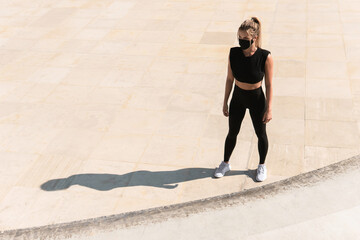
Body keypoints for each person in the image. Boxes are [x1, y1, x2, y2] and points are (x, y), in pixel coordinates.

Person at [214, 17, 273, 182]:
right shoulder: (233, 53)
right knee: (232, 132)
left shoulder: (265, 57)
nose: (241, 42)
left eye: (245, 39)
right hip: (238, 98)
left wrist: (269, 108)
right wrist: (225, 101)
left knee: (261, 134)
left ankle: (261, 165)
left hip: (257, 99)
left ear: (254, 38)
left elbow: (269, 85)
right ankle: (225, 163)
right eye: (239, 38)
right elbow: (229, 79)